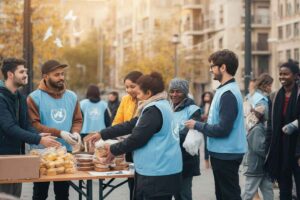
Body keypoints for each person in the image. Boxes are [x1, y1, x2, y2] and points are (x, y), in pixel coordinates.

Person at [85, 72, 182, 200]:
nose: (138, 97)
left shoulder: (153, 110)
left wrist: (114, 150)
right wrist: (102, 134)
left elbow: (137, 138)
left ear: (148, 93)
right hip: (162, 170)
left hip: (157, 173)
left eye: (139, 94)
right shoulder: (160, 105)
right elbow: (130, 124)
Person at [185, 49, 247, 200]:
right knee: (222, 194)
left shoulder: (228, 94)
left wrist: (197, 125)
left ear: (223, 67)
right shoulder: (224, 90)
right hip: (222, 152)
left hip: (227, 153)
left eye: (212, 66)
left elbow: (223, 129)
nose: (211, 70)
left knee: (229, 195)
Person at [0, 58, 60, 198]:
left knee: (14, 195)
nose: (25, 75)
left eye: (25, 71)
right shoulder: (1, 97)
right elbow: (9, 127)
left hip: (16, 155)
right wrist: (38, 139)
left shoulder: (20, 97)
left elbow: (26, 124)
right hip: (2, 157)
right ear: (10, 74)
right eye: (21, 72)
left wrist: (39, 135)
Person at [27, 60, 83, 200]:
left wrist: (76, 132)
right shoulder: (34, 97)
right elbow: (35, 125)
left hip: (65, 153)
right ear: (45, 76)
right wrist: (60, 133)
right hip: (41, 152)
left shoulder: (72, 96)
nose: (61, 77)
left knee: (63, 194)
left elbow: (77, 120)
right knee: (40, 194)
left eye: (62, 74)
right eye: (56, 74)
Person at [265, 59, 300, 199]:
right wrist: (268, 149)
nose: (282, 77)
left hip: (297, 147)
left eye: (286, 74)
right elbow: (270, 125)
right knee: (284, 189)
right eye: (280, 74)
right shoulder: (274, 97)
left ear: (296, 76)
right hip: (280, 149)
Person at [242, 73, 274, 200]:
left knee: (267, 189)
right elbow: (259, 148)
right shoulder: (257, 128)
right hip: (255, 165)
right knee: (249, 192)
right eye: (270, 85)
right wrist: (270, 155)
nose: (271, 88)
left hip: (259, 164)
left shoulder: (252, 97)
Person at [111, 71, 142, 200]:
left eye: (132, 86)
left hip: (142, 148)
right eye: (127, 87)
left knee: (141, 185)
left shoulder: (147, 100)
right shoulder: (125, 99)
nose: (129, 90)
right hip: (128, 146)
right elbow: (117, 121)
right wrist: (115, 135)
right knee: (131, 183)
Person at [168, 78, 201, 200]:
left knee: (184, 194)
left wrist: (167, 140)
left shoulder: (193, 110)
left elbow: (187, 133)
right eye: (172, 91)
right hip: (170, 158)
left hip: (185, 159)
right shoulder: (168, 108)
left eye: (178, 91)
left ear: (185, 93)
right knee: (175, 193)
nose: (174, 94)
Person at [199, 91, 214, 169]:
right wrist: (202, 116)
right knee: (206, 144)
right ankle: (206, 163)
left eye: (208, 96)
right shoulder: (201, 106)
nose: (206, 98)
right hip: (204, 127)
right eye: (205, 96)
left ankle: (212, 161)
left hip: (212, 126)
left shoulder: (213, 106)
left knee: (211, 143)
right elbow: (198, 115)